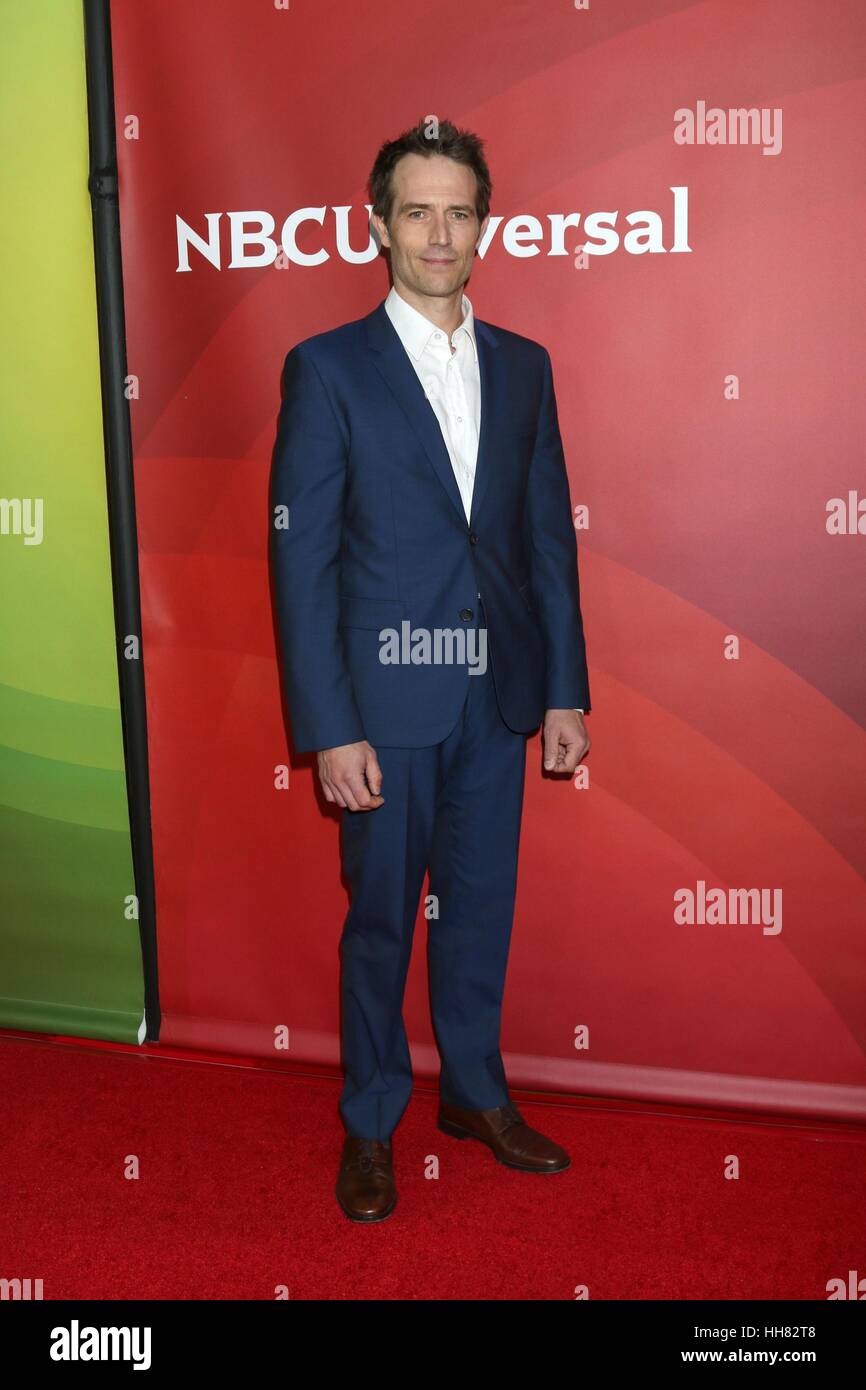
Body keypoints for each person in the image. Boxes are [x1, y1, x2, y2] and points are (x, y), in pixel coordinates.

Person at [270, 118, 591, 1222]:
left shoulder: (526, 367)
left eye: (458, 211)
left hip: (494, 697)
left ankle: (473, 1092)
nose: (439, 232)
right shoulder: (324, 370)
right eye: (417, 211)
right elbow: (301, 558)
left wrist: (562, 689)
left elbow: (544, 538)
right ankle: (369, 1121)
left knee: (480, 909)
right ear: (378, 226)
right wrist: (328, 724)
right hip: (384, 703)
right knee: (380, 920)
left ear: (482, 226)